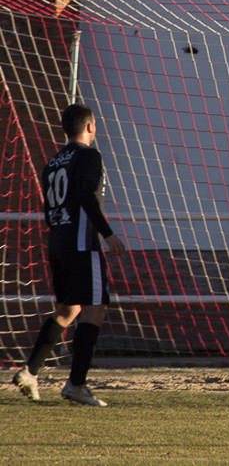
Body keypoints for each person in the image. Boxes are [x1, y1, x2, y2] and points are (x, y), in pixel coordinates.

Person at [12, 103, 127, 406]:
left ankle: (29, 372)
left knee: (68, 310)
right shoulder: (89, 155)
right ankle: (76, 384)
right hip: (82, 244)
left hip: (58, 243)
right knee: (94, 309)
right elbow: (86, 194)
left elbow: (50, 206)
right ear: (89, 127)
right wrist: (107, 233)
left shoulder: (53, 163)